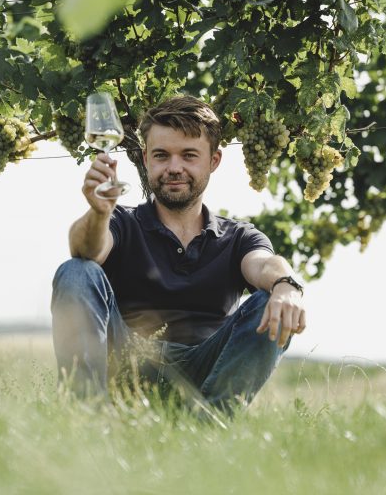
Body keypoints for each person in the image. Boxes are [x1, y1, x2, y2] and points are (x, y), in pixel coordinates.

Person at [51, 95, 306, 412]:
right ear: (146, 159)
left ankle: (209, 427)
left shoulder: (237, 236)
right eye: (162, 155)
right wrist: (99, 213)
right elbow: (86, 250)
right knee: (76, 270)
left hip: (205, 372)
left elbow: (265, 263)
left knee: (272, 299)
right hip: (127, 365)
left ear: (214, 161)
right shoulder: (121, 222)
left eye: (188, 155)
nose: (174, 168)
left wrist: (285, 285)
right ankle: (87, 417)